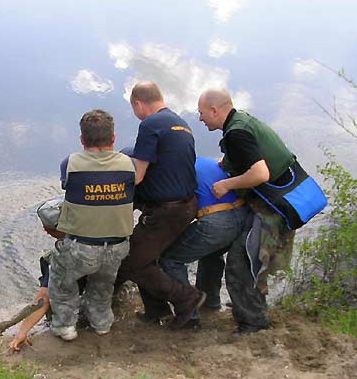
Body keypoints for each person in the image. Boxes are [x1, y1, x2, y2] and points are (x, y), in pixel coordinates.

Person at [197, 89, 296, 334]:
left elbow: (261, 173)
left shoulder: (237, 133)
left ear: (214, 111)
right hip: (278, 202)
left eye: (202, 113)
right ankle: (228, 303)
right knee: (235, 256)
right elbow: (248, 156)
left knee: (241, 263)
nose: (200, 118)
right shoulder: (241, 121)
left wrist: (226, 184)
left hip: (274, 209)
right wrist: (225, 164)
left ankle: (253, 323)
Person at [114, 82, 205, 329]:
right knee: (146, 256)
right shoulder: (181, 124)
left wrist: (111, 183)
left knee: (131, 261)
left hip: (167, 211)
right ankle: (156, 312)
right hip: (187, 205)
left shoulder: (150, 124)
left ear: (138, 104)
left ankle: (187, 298)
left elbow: (138, 176)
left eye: (134, 109)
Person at [48, 109, 135, 341]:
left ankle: (65, 326)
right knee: (103, 285)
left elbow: (68, 185)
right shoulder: (128, 164)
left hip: (81, 247)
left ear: (81, 139)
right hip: (118, 246)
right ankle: (101, 323)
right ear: (113, 138)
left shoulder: (70, 163)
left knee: (61, 280)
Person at [158, 157, 250, 328]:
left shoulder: (175, 172)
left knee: (170, 259)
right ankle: (210, 302)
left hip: (218, 222)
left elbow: (178, 210)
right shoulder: (202, 161)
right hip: (243, 215)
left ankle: (189, 315)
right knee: (211, 253)